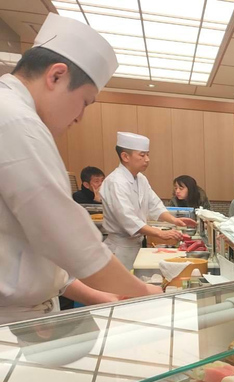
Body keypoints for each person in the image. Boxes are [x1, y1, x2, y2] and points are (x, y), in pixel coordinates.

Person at [0, 14, 160, 323]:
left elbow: (37, 250)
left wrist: (100, 295)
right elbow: (67, 237)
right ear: (56, 76)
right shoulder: (17, 120)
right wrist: (142, 292)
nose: (79, 117)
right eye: (85, 102)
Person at [101, 132, 194, 270]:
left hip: (136, 245)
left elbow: (154, 204)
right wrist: (160, 233)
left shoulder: (141, 179)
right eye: (142, 155)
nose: (147, 159)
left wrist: (174, 221)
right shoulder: (115, 182)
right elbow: (128, 219)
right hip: (119, 248)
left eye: (147, 155)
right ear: (125, 156)